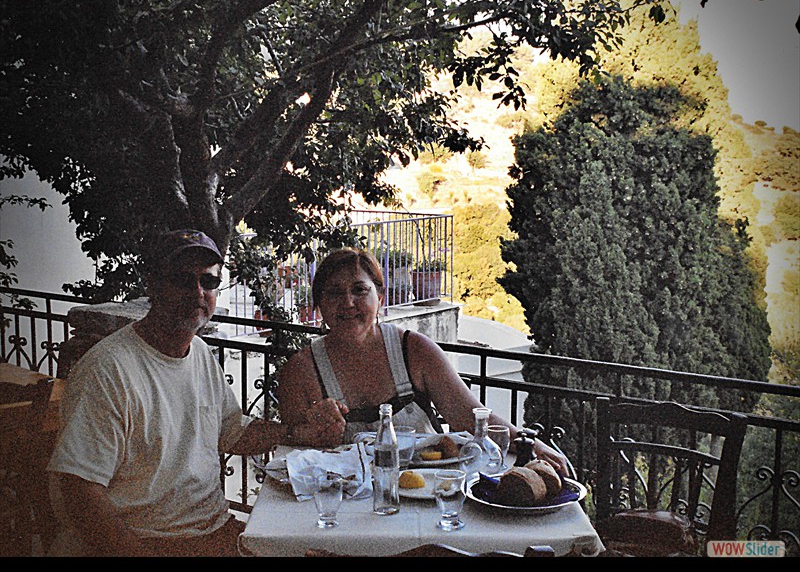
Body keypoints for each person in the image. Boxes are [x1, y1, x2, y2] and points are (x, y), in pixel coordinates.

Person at [47, 229, 345, 557]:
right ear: (153, 285)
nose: (197, 293)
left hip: (211, 531)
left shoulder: (199, 352)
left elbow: (234, 433)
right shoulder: (108, 370)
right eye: (181, 280)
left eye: (209, 281)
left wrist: (300, 432)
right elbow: (78, 491)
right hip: (148, 541)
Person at [277, 247, 570, 475]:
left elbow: (469, 416)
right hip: (342, 508)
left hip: (427, 495)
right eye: (334, 294)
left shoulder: (414, 350)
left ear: (380, 296)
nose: (348, 303)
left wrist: (528, 442)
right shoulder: (300, 372)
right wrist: (312, 429)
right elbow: (291, 451)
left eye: (359, 290)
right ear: (318, 306)